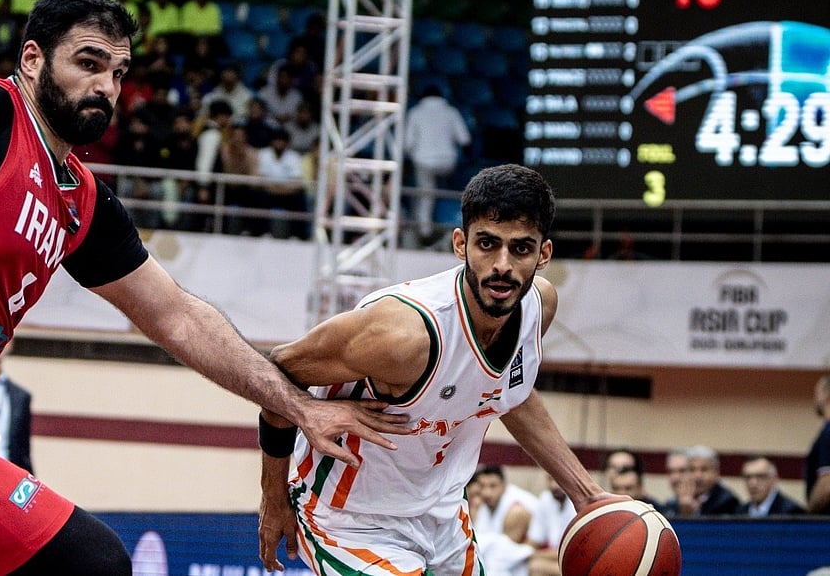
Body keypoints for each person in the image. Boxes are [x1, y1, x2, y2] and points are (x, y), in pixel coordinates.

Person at [0, 0, 406, 576]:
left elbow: (179, 317)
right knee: (92, 562)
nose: (106, 86)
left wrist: (299, 407)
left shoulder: (84, 201)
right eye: (89, 63)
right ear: (33, 58)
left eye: (118, 74)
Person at [258, 163, 618, 575]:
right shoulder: (403, 334)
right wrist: (273, 495)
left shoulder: (540, 307)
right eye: (487, 244)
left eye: (520, 248)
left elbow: (507, 392)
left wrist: (587, 494)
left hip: (443, 513)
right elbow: (278, 370)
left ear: (544, 254)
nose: (502, 264)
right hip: (349, 518)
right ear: (461, 244)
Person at [404, 84, 472, 245]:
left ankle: (424, 231)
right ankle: (454, 223)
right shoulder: (451, 111)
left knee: (425, 194)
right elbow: (465, 140)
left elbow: (408, 144)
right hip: (448, 162)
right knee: (449, 188)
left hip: (424, 161)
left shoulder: (415, 112)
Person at [473, 464, 538, 576]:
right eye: (482, 486)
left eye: (492, 486)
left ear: (504, 487)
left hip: (535, 555)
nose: (487, 492)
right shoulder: (481, 504)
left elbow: (503, 554)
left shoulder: (517, 508)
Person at [526, 474, 576, 576]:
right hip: (553, 559)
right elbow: (534, 540)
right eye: (550, 479)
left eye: (559, 480)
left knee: (536, 567)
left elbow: (569, 553)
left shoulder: (578, 503)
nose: (554, 485)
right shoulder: (545, 499)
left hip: (576, 562)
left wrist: (532, 555)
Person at [673, 444, 740, 516]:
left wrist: (691, 513)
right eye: (692, 470)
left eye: (704, 470)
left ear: (716, 472)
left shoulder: (727, 502)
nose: (697, 476)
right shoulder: (676, 500)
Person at [738, 456, 804, 517]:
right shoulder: (739, 512)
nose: (753, 484)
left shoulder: (792, 512)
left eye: (760, 476)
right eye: (748, 477)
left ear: (774, 479)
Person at [807, 374, 830, 514]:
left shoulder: (828, 432)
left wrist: (809, 514)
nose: (815, 399)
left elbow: (827, 485)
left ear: (826, 395)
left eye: (817, 393)